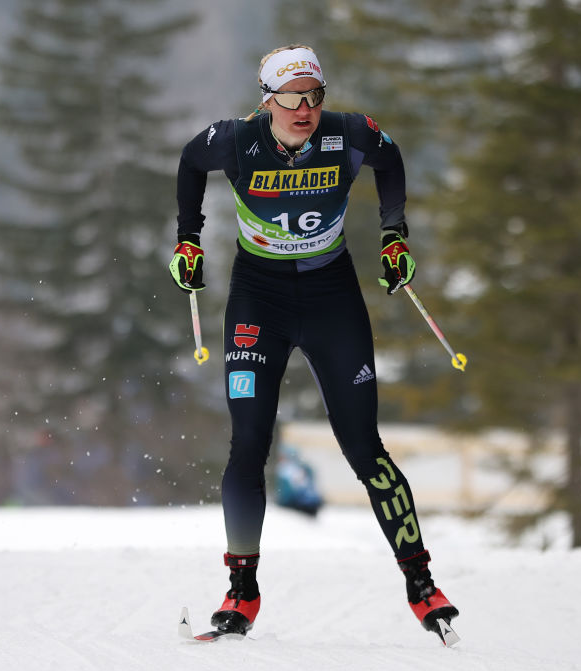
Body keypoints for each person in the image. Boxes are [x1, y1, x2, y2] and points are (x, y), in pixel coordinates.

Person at [170, 44, 458, 639]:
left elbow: (392, 160)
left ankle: (421, 584)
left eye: (314, 96)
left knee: (363, 446)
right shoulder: (235, 140)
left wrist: (394, 235)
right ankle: (241, 591)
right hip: (259, 298)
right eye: (292, 98)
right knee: (248, 445)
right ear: (268, 99)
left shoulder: (347, 134)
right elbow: (190, 163)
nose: (305, 110)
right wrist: (188, 239)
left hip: (331, 297)